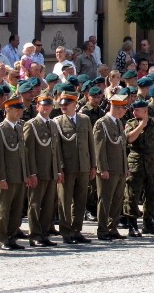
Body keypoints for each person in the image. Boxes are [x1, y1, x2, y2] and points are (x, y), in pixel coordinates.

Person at [53, 92, 95, 244]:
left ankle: (77, 230)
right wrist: (60, 168)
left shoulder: (85, 119)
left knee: (81, 200)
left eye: (67, 104)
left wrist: (93, 165)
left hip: (83, 166)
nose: (63, 107)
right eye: (62, 105)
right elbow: (56, 149)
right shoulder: (57, 122)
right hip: (68, 168)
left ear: (74, 105)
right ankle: (66, 231)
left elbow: (91, 143)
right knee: (64, 201)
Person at [0, 94, 29, 250]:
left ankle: (12, 237)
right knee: (4, 209)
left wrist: (25, 174)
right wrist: (0, 178)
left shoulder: (19, 127)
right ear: (8, 110)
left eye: (20, 110)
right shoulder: (0, 129)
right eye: (16, 110)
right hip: (7, 176)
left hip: (19, 176)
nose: (19, 112)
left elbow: (22, 154)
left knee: (16, 210)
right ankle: (2, 239)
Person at [124, 98, 154, 236]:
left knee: (152, 194)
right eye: (133, 110)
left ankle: (148, 223)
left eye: (137, 110)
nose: (134, 113)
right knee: (132, 194)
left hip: (153, 162)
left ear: (145, 110)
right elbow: (129, 139)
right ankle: (132, 225)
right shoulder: (131, 123)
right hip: (136, 161)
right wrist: (141, 125)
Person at [24, 93, 62, 247]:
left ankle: (44, 233)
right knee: (35, 204)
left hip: (51, 171)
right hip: (38, 172)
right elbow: (28, 151)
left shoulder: (53, 124)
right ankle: (35, 235)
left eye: (49, 105)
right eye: (43, 105)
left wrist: (58, 170)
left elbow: (56, 150)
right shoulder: (31, 124)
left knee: (48, 205)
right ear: (37, 106)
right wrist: (31, 173)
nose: (46, 108)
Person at [94, 94, 129, 240]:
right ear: (114, 107)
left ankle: (112, 227)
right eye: (122, 108)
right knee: (105, 200)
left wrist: (125, 167)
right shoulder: (102, 123)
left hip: (119, 168)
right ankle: (102, 230)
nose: (124, 111)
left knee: (117, 200)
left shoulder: (118, 123)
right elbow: (99, 148)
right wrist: (102, 168)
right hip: (108, 168)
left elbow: (122, 146)